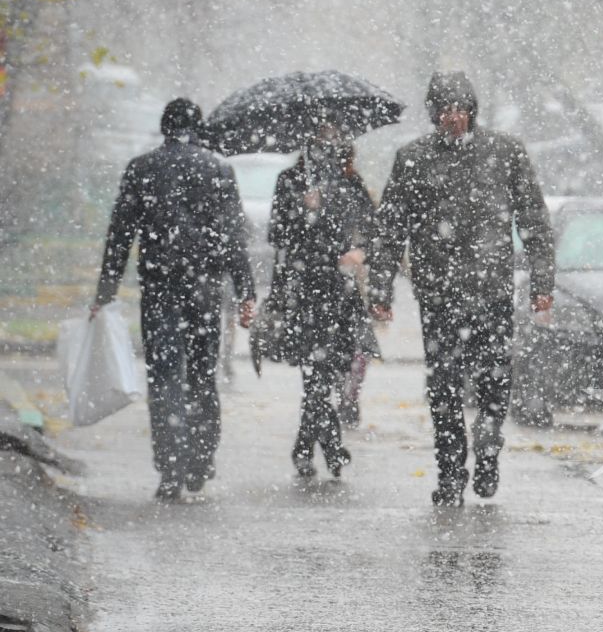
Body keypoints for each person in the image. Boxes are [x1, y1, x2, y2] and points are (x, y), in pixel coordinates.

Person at [369, 72, 553, 506]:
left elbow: (534, 221)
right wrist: (380, 289)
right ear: (433, 114)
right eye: (445, 110)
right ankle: (450, 470)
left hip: (491, 292)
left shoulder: (505, 152)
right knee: (444, 388)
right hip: (438, 295)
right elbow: (390, 229)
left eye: (460, 109)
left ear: (472, 111)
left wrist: (542, 282)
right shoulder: (413, 159)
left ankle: (488, 449)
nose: (453, 118)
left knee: (494, 381)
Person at [92, 97, 255, 500]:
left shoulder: (142, 169)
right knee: (202, 373)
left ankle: (169, 468)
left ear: (164, 128)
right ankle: (200, 458)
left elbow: (120, 234)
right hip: (203, 287)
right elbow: (235, 235)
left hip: (159, 287)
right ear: (197, 128)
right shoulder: (218, 169)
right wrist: (246, 290)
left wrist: (105, 292)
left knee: (164, 377)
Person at [264, 130, 378, 478]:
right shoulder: (290, 180)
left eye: (335, 137)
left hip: (340, 293)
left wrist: (360, 252)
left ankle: (313, 446)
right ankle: (324, 448)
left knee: (327, 376)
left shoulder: (350, 182)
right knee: (315, 378)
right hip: (303, 292)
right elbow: (277, 235)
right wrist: (303, 208)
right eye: (321, 137)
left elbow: (374, 231)